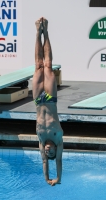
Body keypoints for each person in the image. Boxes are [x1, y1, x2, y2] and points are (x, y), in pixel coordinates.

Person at [32, 17, 63, 186]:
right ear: (56, 151)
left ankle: (38, 31)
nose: (47, 150)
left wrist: (46, 178)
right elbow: (57, 162)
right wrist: (57, 178)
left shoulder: (41, 140)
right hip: (50, 99)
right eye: (50, 152)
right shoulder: (58, 138)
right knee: (48, 65)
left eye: (46, 152)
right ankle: (47, 31)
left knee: (38, 65)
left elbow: (44, 161)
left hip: (38, 100)